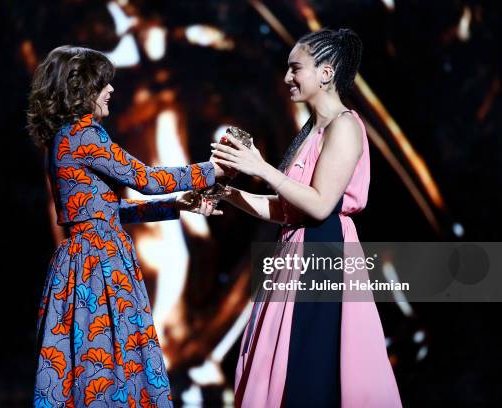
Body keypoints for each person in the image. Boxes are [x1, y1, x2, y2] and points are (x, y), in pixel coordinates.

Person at [210, 28, 402, 407]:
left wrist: (260, 167)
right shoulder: (312, 130)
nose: (287, 78)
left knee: (309, 370)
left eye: (295, 68)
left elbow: (319, 205)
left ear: (326, 73)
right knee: (283, 369)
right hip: (296, 251)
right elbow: (286, 209)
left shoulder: (344, 126)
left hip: (322, 253)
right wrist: (226, 193)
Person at [27, 45, 225, 407]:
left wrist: (175, 205)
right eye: (103, 82)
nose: (111, 90)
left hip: (84, 261)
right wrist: (215, 169)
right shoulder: (86, 135)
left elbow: (104, 210)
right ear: (82, 89)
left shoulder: (63, 139)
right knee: (109, 367)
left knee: (91, 365)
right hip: (99, 266)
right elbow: (145, 178)